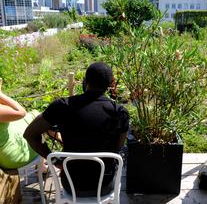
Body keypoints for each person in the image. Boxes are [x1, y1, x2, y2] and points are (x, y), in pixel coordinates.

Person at [24, 62, 129, 197]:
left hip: (71, 184)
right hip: (104, 185)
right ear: (110, 84)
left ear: (85, 81)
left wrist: (56, 161)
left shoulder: (62, 106)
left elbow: (30, 134)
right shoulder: (119, 112)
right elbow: (118, 147)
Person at [0, 90, 38, 169]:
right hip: (13, 157)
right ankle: (58, 157)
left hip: (4, 155)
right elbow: (21, 112)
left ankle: (43, 165)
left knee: (33, 116)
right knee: (39, 119)